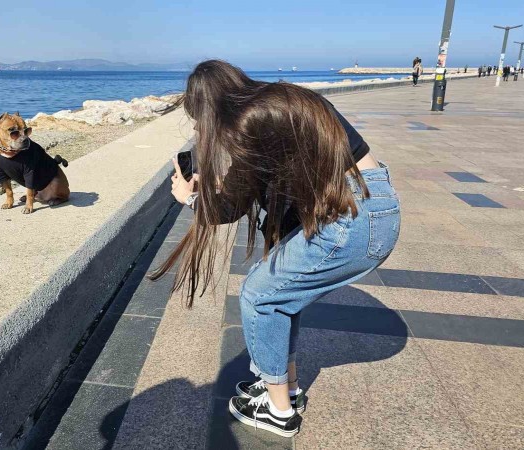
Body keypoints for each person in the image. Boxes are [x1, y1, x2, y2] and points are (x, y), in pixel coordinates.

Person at [157, 60, 401, 438]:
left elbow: (229, 209)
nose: (198, 130)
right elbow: (270, 182)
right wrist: (223, 185)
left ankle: (279, 412)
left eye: (198, 120)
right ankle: (286, 389)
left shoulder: (250, 122)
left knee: (260, 296)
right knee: (281, 296)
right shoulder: (278, 103)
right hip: (373, 202)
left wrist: (189, 197)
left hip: (352, 215)